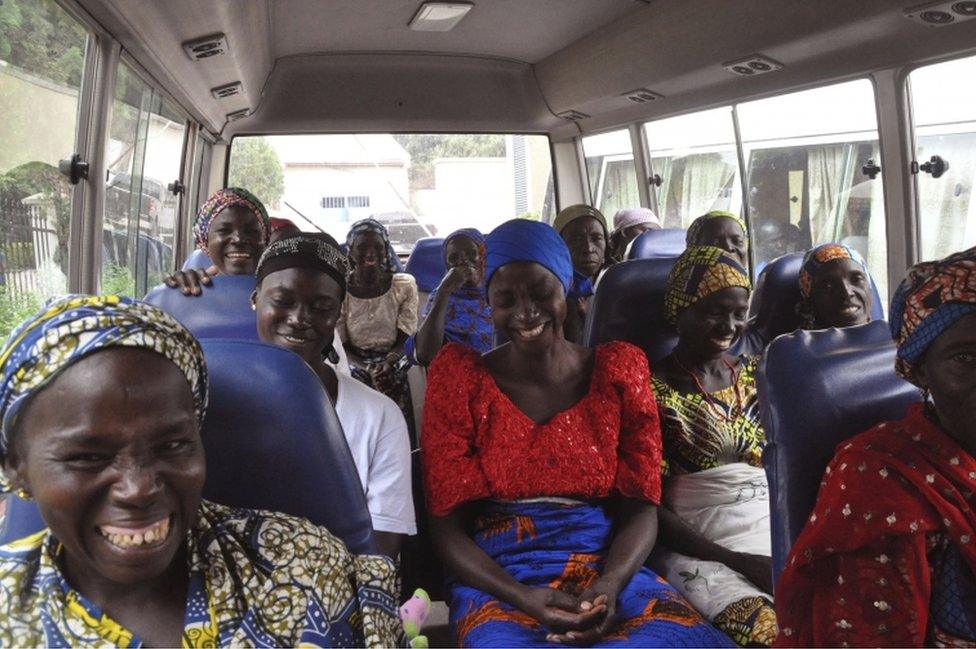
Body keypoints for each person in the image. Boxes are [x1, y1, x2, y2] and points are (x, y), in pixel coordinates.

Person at [0, 295, 401, 647]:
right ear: (15, 468)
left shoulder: (307, 571)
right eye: (87, 457)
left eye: (172, 445)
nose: (138, 488)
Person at [422, 219, 732, 648]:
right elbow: (446, 529)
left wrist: (610, 585)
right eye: (506, 299)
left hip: (608, 564)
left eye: (540, 292)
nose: (526, 312)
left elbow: (641, 508)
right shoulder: (460, 379)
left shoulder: (619, 371)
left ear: (565, 288)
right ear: (489, 304)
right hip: (499, 576)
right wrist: (522, 598)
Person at [774, 246, 976, 647]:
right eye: (966, 357)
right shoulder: (877, 485)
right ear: (920, 371)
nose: (847, 294)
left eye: (855, 280)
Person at [252, 236, 416, 559]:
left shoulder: (381, 417)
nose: (300, 318)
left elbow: (379, 553)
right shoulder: (215, 401)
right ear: (255, 299)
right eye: (283, 301)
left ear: (338, 314)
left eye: (321, 307)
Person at [649, 245, 777, 647]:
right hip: (696, 540)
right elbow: (645, 502)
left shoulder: (762, 372)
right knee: (766, 631)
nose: (730, 326)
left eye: (740, 314)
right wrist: (739, 563)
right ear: (679, 311)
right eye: (714, 312)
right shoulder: (648, 387)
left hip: (773, 521)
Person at [338, 219, 419, 411]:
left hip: (394, 355)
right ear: (350, 252)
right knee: (355, 378)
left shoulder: (404, 285)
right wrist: (367, 369)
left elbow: (406, 336)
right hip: (354, 358)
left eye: (378, 246)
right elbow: (341, 345)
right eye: (362, 246)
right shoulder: (339, 290)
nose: (371, 252)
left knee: (397, 376)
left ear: (386, 250)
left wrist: (388, 363)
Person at [406, 228, 492, 366]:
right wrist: (444, 290)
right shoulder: (439, 296)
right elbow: (425, 354)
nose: (463, 261)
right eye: (453, 258)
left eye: (471, 254)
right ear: (447, 266)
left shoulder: (498, 291)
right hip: (456, 375)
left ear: (483, 257)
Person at [163, 187, 271, 295]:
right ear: (205, 242)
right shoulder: (194, 290)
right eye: (224, 231)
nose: (238, 240)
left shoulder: (279, 291)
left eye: (251, 231)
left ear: (265, 239)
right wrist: (176, 293)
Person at [552, 205, 611, 344]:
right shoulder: (556, 294)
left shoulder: (616, 283)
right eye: (576, 239)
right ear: (559, 246)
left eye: (596, 238)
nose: (589, 248)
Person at [797, 242, 873, 329]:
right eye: (828, 286)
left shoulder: (889, 335)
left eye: (857, 279)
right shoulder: (798, 342)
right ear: (810, 302)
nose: (847, 293)